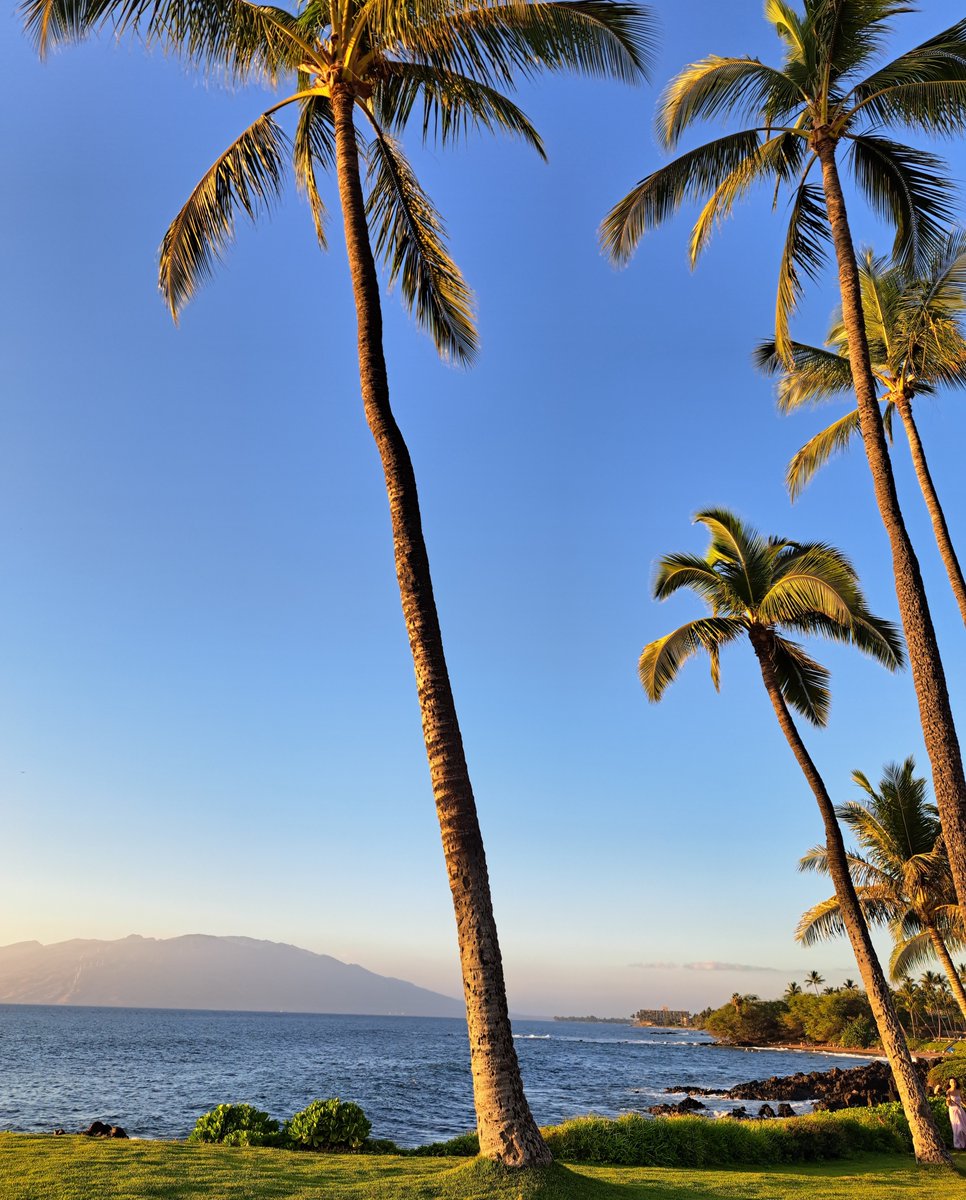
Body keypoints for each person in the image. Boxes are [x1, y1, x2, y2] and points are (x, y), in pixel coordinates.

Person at [947, 1078, 966, 1151]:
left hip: (960, 1110)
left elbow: (962, 1101)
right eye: (951, 1082)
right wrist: (948, 1101)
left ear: (956, 1083)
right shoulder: (948, 1092)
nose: (953, 1083)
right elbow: (948, 1104)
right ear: (949, 1083)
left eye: (954, 1082)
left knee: (964, 1127)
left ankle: (964, 1145)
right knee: (958, 1128)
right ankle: (958, 1145)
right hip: (953, 1111)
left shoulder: (959, 1091)